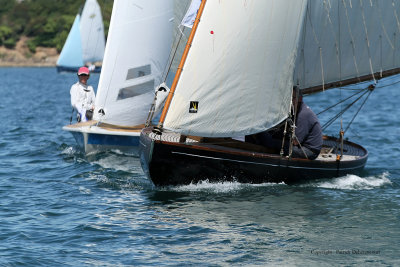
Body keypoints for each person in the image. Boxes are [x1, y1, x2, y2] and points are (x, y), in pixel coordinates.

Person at [290, 86, 322, 159]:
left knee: (282, 146)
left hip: (311, 151)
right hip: (304, 146)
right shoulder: (297, 110)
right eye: (290, 98)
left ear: (300, 99)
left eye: (293, 98)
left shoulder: (303, 114)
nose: (291, 101)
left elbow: (296, 142)